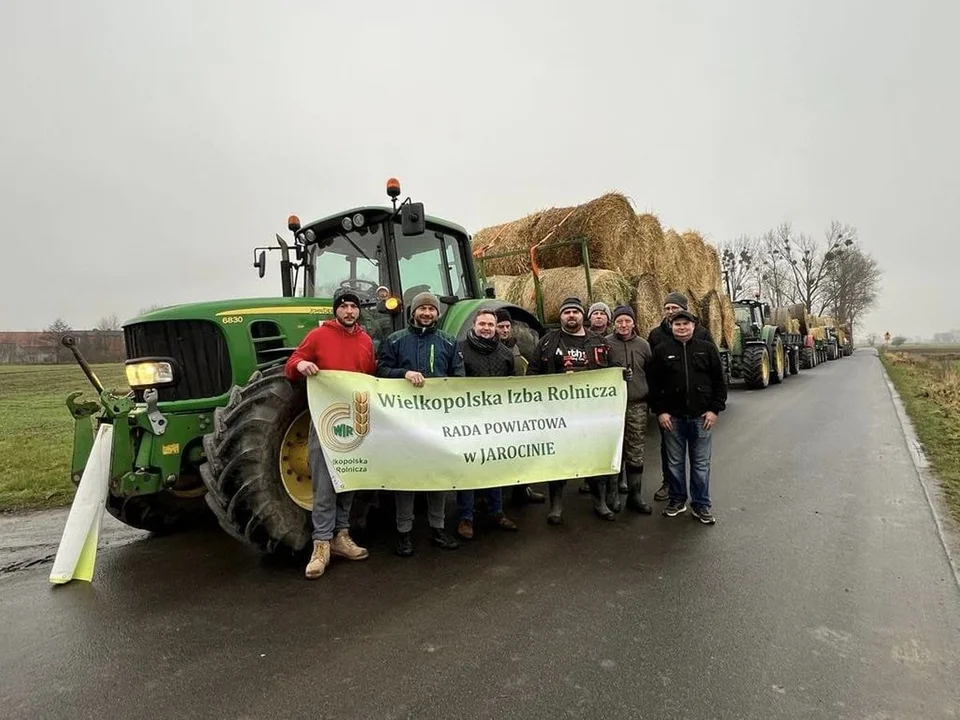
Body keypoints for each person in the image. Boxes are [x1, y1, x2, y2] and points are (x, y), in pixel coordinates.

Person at [284, 289, 376, 580]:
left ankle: (342, 536)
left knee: (348, 478)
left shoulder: (366, 341)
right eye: (344, 306)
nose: (349, 311)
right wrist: (301, 364)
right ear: (336, 310)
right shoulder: (318, 336)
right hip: (325, 419)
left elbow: (370, 378)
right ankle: (321, 544)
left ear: (358, 311)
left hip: (355, 420)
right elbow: (291, 364)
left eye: (353, 307)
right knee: (324, 481)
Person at [376, 291, 465, 556]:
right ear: (413, 312)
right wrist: (403, 374)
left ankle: (437, 528)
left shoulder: (449, 343)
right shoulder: (395, 340)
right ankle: (404, 533)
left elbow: (458, 377)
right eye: (422, 309)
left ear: (438, 313)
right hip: (404, 422)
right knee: (407, 475)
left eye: (432, 309)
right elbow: (380, 371)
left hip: (438, 421)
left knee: (437, 474)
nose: (427, 313)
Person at [528, 296, 618, 524]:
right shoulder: (548, 342)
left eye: (575, 312)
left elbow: (613, 371)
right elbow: (533, 373)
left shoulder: (599, 341)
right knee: (559, 459)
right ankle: (556, 506)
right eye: (566, 312)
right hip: (558, 414)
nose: (571, 316)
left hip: (591, 414)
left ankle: (600, 502)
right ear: (560, 316)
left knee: (595, 457)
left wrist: (621, 376)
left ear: (582, 316)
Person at [647, 308, 726, 525]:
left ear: (693, 326)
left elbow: (720, 381)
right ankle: (677, 500)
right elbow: (654, 384)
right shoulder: (662, 351)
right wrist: (660, 411)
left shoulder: (707, 349)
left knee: (700, 464)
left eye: (686, 324)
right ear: (671, 327)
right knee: (674, 463)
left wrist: (714, 410)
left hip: (702, 417)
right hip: (673, 418)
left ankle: (701, 505)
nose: (681, 328)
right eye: (677, 324)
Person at [455, 308, 520, 540]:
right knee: (468, 468)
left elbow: (512, 385)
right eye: (482, 324)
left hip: (496, 421)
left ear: (496, 328)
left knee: (495, 465)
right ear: (474, 325)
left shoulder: (504, 353)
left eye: (490, 325)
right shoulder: (460, 350)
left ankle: (497, 511)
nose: (486, 328)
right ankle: (465, 517)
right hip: (468, 421)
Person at [495, 308, 546, 506]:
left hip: (517, 407)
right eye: (500, 326)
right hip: (494, 408)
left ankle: (522, 488)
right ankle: (491, 496)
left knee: (520, 449)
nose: (505, 330)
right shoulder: (487, 349)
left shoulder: (516, 346)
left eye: (507, 326)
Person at [606, 305, 653, 514]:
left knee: (635, 450)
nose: (623, 325)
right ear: (613, 323)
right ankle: (613, 494)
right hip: (612, 407)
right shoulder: (606, 344)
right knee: (614, 449)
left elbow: (651, 374)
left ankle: (635, 495)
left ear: (634, 322)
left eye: (627, 321)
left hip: (637, 404)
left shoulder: (643, 345)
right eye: (619, 321)